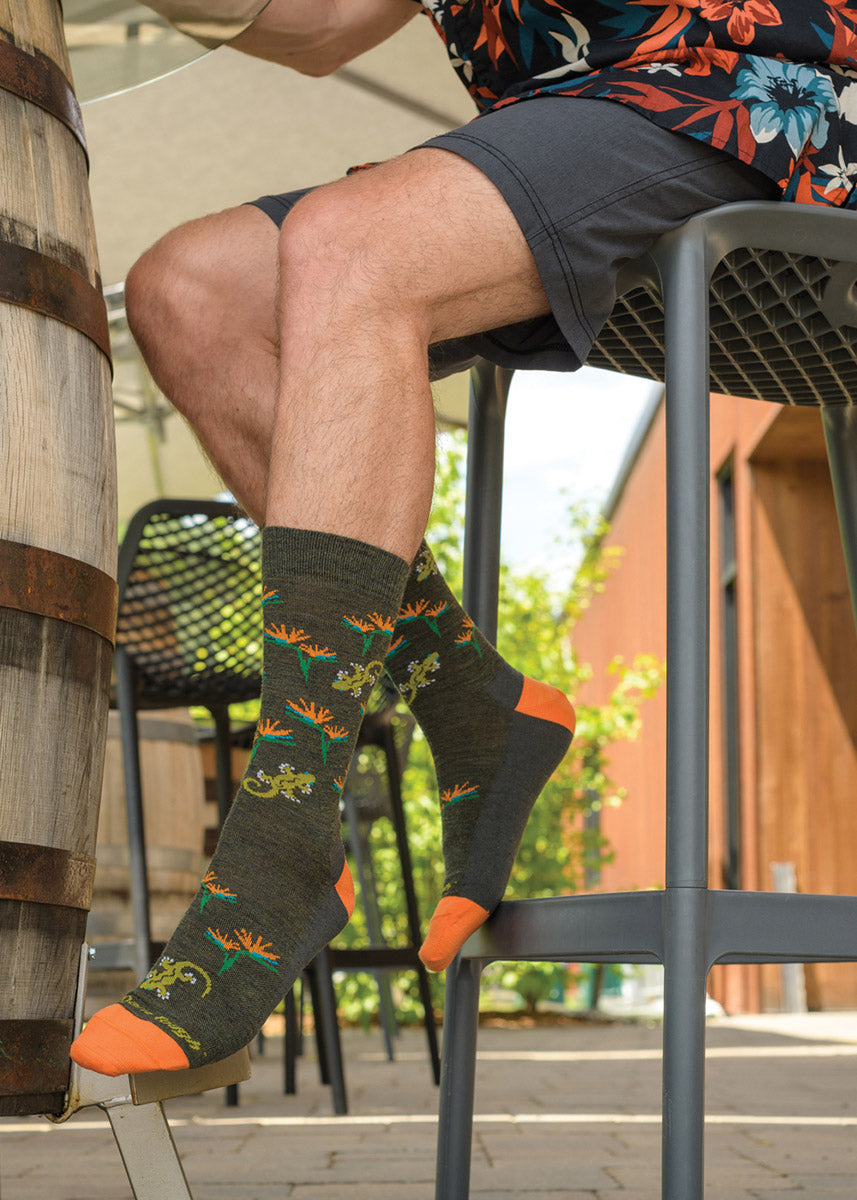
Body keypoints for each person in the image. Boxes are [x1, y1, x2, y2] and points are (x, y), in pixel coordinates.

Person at [71, 0, 857, 1077]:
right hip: (560, 130)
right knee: (190, 295)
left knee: (351, 245)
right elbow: (322, 26)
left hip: (750, 103)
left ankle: (282, 845)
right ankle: (467, 702)